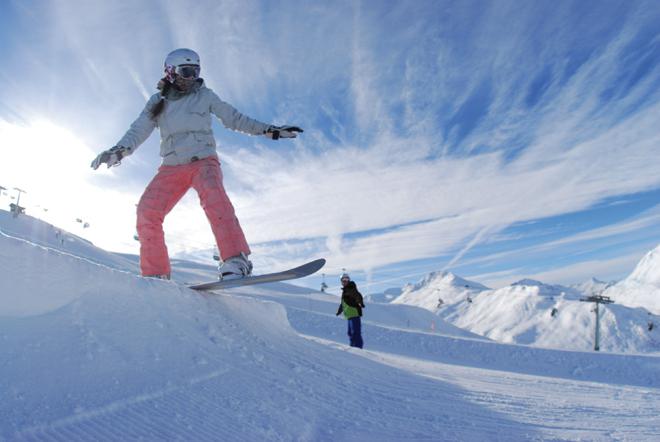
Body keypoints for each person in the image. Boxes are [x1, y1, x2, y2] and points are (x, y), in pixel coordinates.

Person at [91, 48, 302, 280]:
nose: (191, 77)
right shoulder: (158, 101)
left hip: (203, 162)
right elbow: (139, 129)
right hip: (171, 166)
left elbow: (234, 118)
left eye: (195, 72)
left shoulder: (205, 95)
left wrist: (269, 130)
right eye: (186, 71)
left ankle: (235, 260)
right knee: (147, 211)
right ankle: (156, 274)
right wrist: (119, 151)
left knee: (215, 198)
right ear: (170, 71)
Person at [335, 273, 365, 348]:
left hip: (354, 313)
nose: (345, 281)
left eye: (346, 279)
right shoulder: (345, 290)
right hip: (349, 315)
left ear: (349, 280)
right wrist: (339, 311)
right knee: (350, 333)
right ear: (341, 281)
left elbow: (358, 295)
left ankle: (358, 347)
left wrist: (360, 302)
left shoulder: (351, 288)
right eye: (343, 280)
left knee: (355, 332)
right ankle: (353, 347)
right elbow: (343, 303)